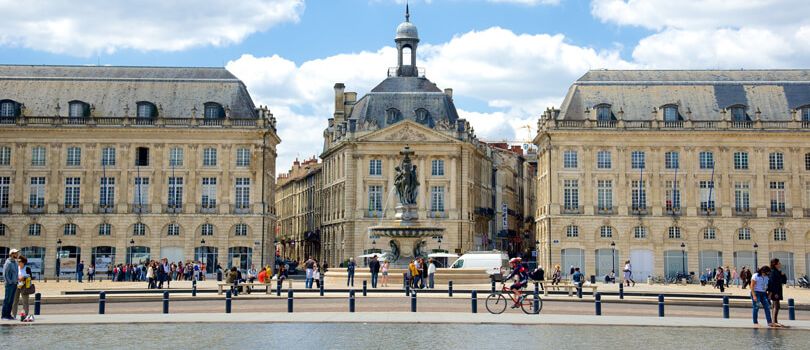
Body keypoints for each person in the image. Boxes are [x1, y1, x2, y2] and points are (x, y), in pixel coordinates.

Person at [768, 258, 787, 327]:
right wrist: (773, 292)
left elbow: (784, 281)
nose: (780, 264)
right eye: (779, 263)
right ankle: (774, 322)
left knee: (776, 306)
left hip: (778, 290)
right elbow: (771, 283)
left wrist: (783, 275)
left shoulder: (778, 272)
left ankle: (774, 321)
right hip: (775, 291)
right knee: (776, 306)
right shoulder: (772, 272)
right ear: (775, 264)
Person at [2, 248, 20, 320]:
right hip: (9, 285)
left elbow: (16, 273)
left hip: (15, 284)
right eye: (15, 253)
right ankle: (4, 316)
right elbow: (5, 274)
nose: (17, 254)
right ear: (11, 254)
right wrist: (10, 282)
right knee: (7, 300)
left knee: (11, 300)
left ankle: (8, 315)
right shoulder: (8, 263)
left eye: (17, 253)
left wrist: (16, 281)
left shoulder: (15, 263)